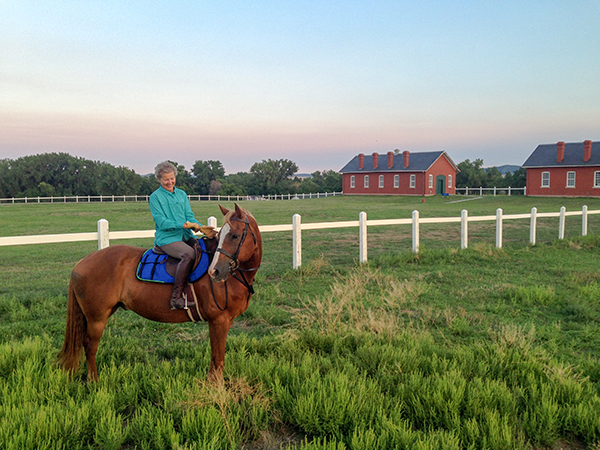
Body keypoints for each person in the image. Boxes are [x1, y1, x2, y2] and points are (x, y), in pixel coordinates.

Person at [149, 161, 215, 310]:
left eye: (172, 178)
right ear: (159, 179)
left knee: (204, 249)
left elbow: (189, 216)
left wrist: (200, 226)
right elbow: (161, 222)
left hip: (185, 234)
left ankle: (200, 289)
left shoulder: (182, 194)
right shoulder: (155, 197)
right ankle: (176, 298)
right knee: (189, 254)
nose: (170, 182)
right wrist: (184, 225)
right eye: (166, 179)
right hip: (167, 238)